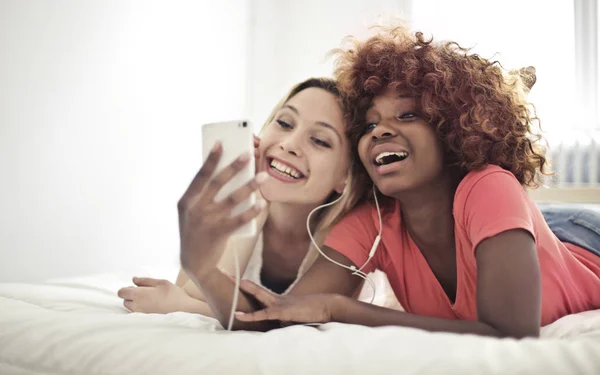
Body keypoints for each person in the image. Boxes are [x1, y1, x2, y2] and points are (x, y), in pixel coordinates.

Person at [186, 26, 600, 338]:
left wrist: (342, 309)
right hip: (516, 233)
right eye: (368, 125)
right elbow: (279, 314)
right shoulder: (373, 223)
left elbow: (510, 334)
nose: (381, 131)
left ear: (452, 129)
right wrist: (200, 264)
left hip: (585, 239)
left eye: (406, 115)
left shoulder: (489, 186)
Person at [117, 78, 401, 316]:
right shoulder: (246, 203)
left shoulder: (351, 236)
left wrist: (180, 306)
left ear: (345, 177)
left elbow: (281, 318)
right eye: (285, 123)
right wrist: (255, 202)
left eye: (319, 141)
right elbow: (193, 290)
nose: (288, 145)